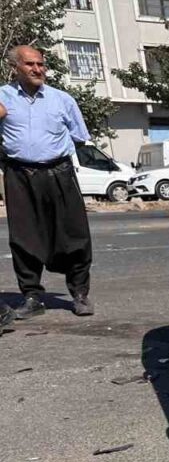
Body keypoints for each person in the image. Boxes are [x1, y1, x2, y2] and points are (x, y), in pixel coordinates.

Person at [0, 45, 95, 318]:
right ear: (15, 67)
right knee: (23, 238)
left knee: (74, 234)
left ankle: (79, 294)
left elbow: (79, 136)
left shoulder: (62, 100)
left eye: (41, 64)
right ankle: (32, 297)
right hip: (19, 176)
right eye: (30, 64)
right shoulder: (3, 98)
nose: (38, 69)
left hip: (59, 174)